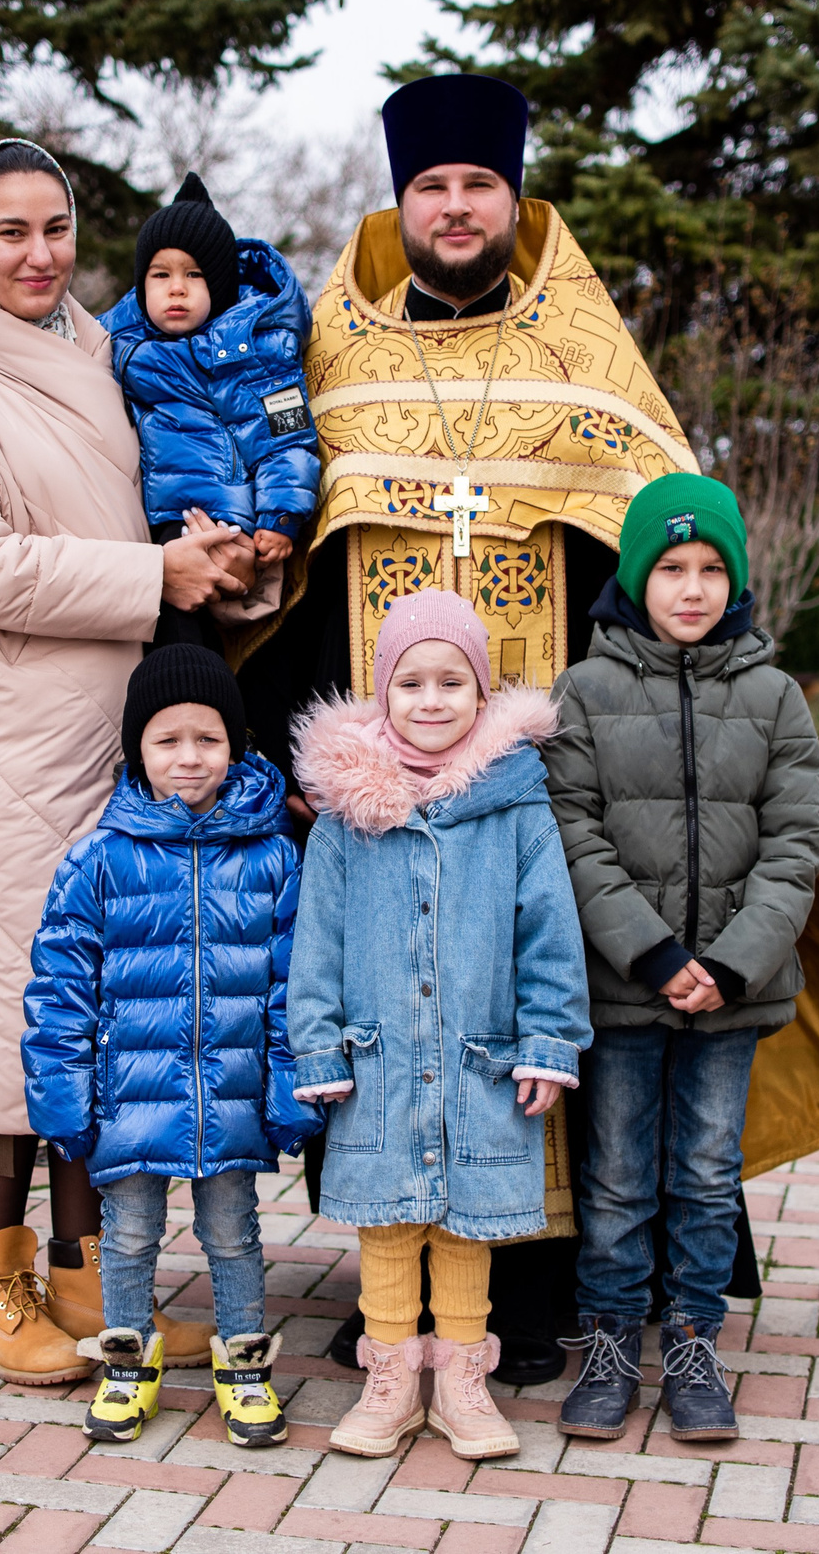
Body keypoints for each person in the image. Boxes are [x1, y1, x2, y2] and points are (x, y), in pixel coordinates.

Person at [235, 73, 701, 1381]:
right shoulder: (336, 344)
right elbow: (300, 567)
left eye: (475, 187)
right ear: (404, 201)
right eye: (431, 188)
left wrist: (611, 727)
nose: (453, 208)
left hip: (530, 766)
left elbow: (658, 535)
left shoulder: (582, 345)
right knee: (388, 1006)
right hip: (380, 762)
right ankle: (394, 1296)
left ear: (513, 198)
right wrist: (295, 747)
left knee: (519, 1005)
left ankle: (538, 1284)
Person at [0, 138, 258, 1385]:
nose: (38, 256)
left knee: (97, 1012)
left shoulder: (101, 354)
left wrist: (216, 554)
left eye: (55, 229)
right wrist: (155, 577)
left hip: (108, 744)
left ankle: (94, 1281)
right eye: (10, 232)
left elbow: (135, 508)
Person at [541, 476, 819, 1442]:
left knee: (706, 1174)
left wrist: (732, 963)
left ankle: (695, 1341)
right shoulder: (585, 690)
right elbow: (572, 835)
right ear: (636, 575)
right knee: (616, 1175)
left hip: (731, 995)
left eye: (712, 569)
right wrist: (655, 954)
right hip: (626, 986)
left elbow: (797, 847)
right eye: (671, 568)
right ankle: (613, 1340)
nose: (693, 588)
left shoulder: (775, 695)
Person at [286, 589, 591, 1460]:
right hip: (380, 1059)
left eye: (451, 681)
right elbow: (319, 941)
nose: (430, 699)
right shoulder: (348, 817)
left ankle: (462, 1377)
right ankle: (391, 1378)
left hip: (478, 1057)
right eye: (411, 681)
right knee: (389, 1218)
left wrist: (546, 1041)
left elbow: (549, 933)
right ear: (383, 693)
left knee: (465, 1220)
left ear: (481, 692)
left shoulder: (516, 807)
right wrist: (318, 1041)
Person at [20, 645, 324, 1447]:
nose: (189, 757)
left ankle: (246, 1369)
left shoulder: (270, 858)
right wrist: (62, 1095)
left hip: (231, 1092)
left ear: (236, 745)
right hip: (130, 1097)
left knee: (234, 1233)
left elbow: (293, 983)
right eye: (167, 740)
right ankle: (126, 1367)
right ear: (137, 751)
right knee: (126, 1236)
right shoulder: (99, 860)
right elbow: (59, 987)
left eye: (208, 738)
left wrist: (289, 1087)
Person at [103, 174, 319, 648]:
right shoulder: (120, 345)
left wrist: (281, 515)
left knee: (211, 648)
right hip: (145, 530)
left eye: (194, 275)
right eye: (161, 275)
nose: (175, 289)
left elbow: (288, 434)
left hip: (226, 520)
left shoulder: (259, 354)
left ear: (220, 286)